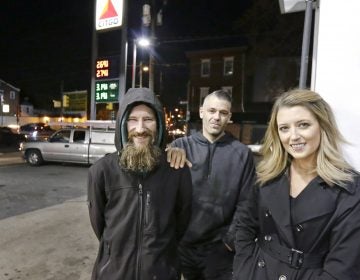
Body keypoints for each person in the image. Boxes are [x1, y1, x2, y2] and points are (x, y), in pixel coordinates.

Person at [233, 89, 360, 280]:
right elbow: (244, 226)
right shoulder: (267, 174)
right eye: (284, 128)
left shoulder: (349, 188)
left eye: (303, 125)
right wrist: (244, 270)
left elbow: (343, 267)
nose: (293, 136)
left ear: (322, 126)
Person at [87, 88, 193, 280]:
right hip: (113, 274)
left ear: (159, 124)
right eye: (133, 120)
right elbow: (99, 225)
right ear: (122, 124)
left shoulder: (176, 170)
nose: (140, 128)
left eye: (148, 119)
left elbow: (181, 223)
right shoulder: (101, 171)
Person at [168, 90, 256, 280]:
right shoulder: (180, 147)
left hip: (220, 250)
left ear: (229, 117)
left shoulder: (242, 154)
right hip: (182, 247)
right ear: (201, 112)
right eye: (212, 111)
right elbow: (164, 195)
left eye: (223, 113)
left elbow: (247, 203)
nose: (216, 117)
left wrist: (229, 242)